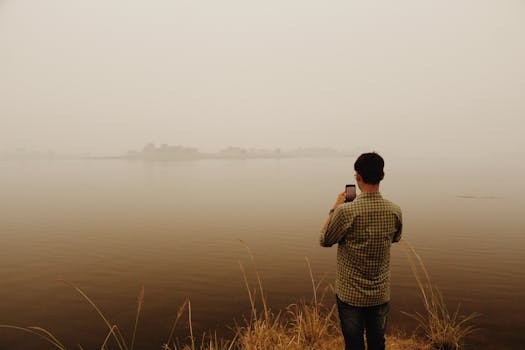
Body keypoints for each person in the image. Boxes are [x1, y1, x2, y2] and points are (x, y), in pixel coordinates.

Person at [319, 152, 402, 350]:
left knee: (354, 344)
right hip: (380, 293)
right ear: (382, 176)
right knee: (377, 343)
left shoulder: (346, 211)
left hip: (350, 295)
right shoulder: (395, 210)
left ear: (357, 177)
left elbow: (324, 240)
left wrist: (335, 208)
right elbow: (395, 238)